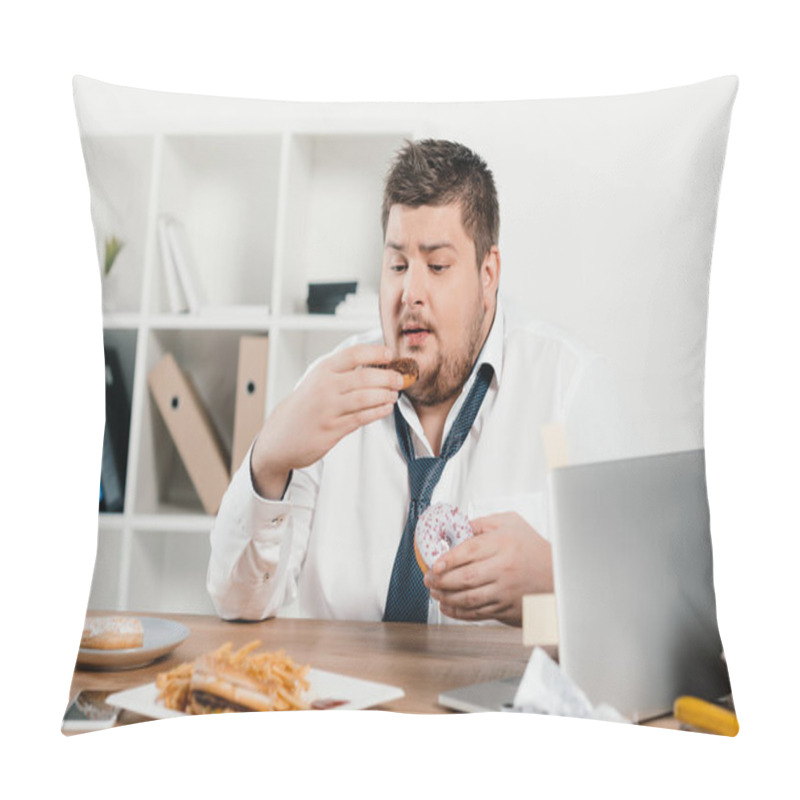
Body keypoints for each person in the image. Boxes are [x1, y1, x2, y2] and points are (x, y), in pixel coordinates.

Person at [208, 139, 624, 626]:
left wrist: (554, 580)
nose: (410, 294)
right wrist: (271, 457)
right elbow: (239, 604)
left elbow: (633, 609)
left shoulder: (566, 388)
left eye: (438, 266)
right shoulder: (329, 388)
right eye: (398, 266)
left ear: (488, 273)